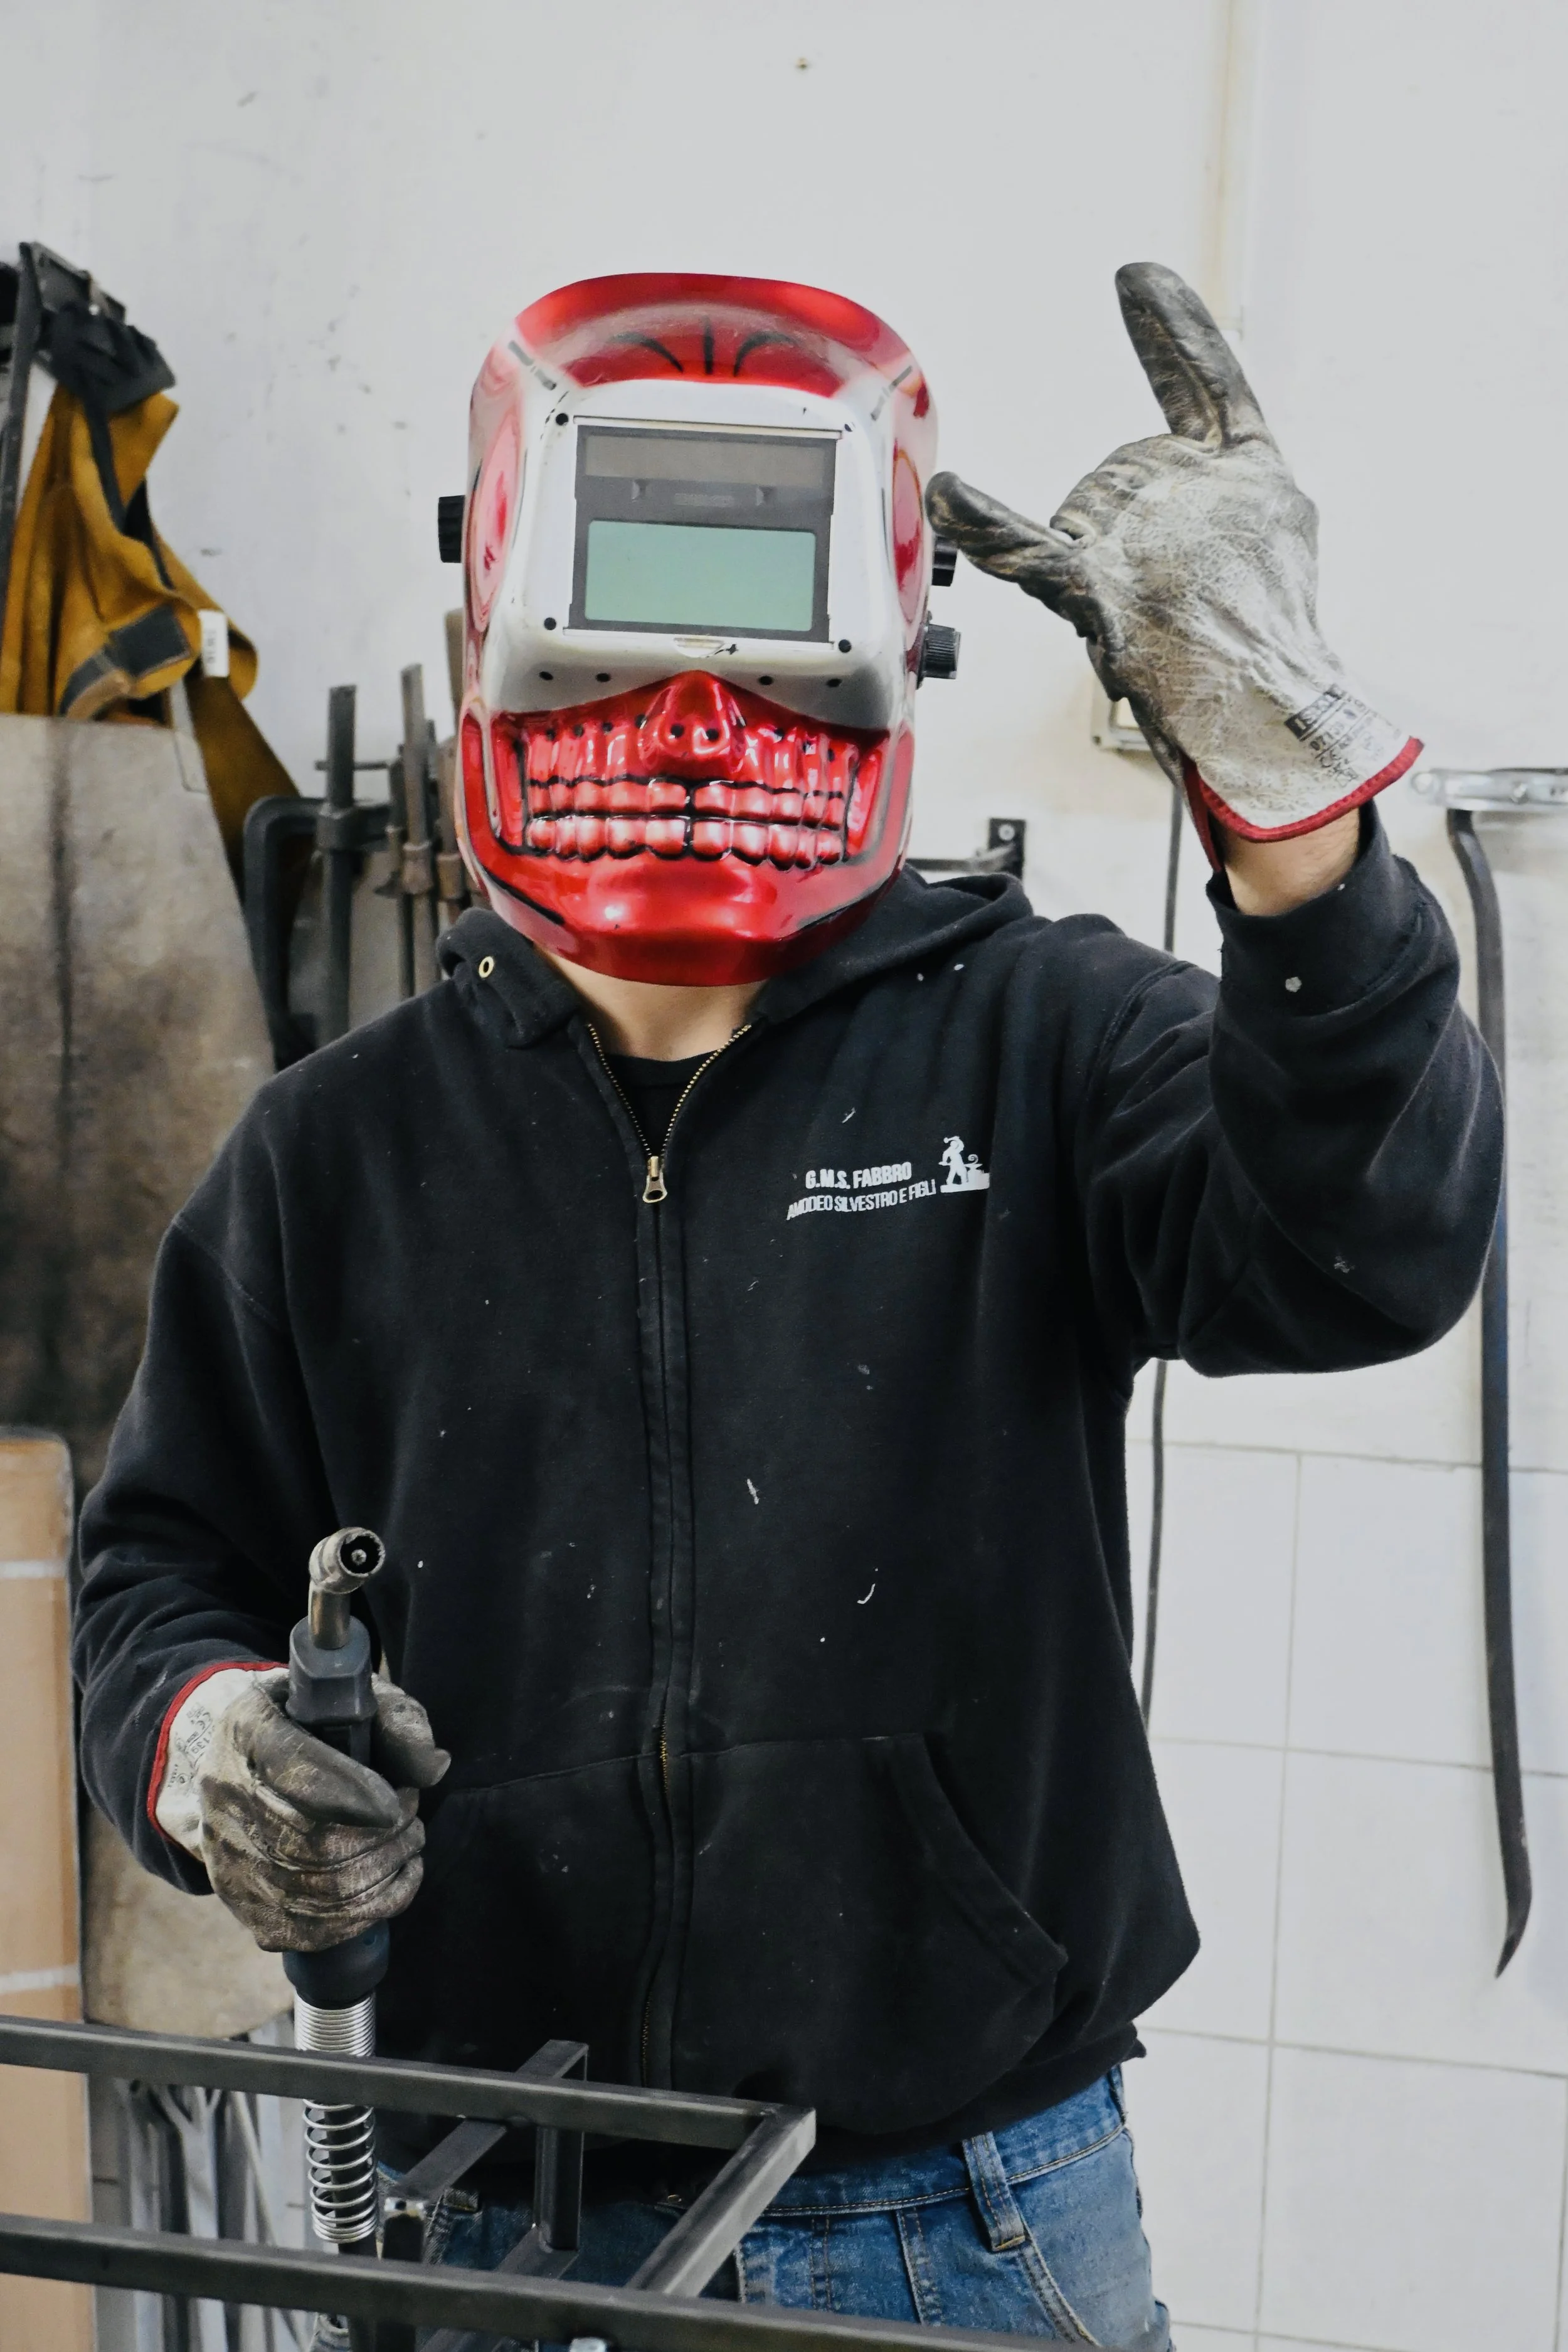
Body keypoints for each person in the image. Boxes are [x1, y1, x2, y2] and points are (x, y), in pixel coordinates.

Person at [74, 265, 1499, 2349]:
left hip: (969, 2214)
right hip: (490, 2209)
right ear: (498, 582)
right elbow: (152, 1567)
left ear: (894, 611)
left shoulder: (1046, 1039)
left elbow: (1367, 1252)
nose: (687, 698)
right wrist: (202, 1741)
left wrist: (1288, 793)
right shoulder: (335, 1149)